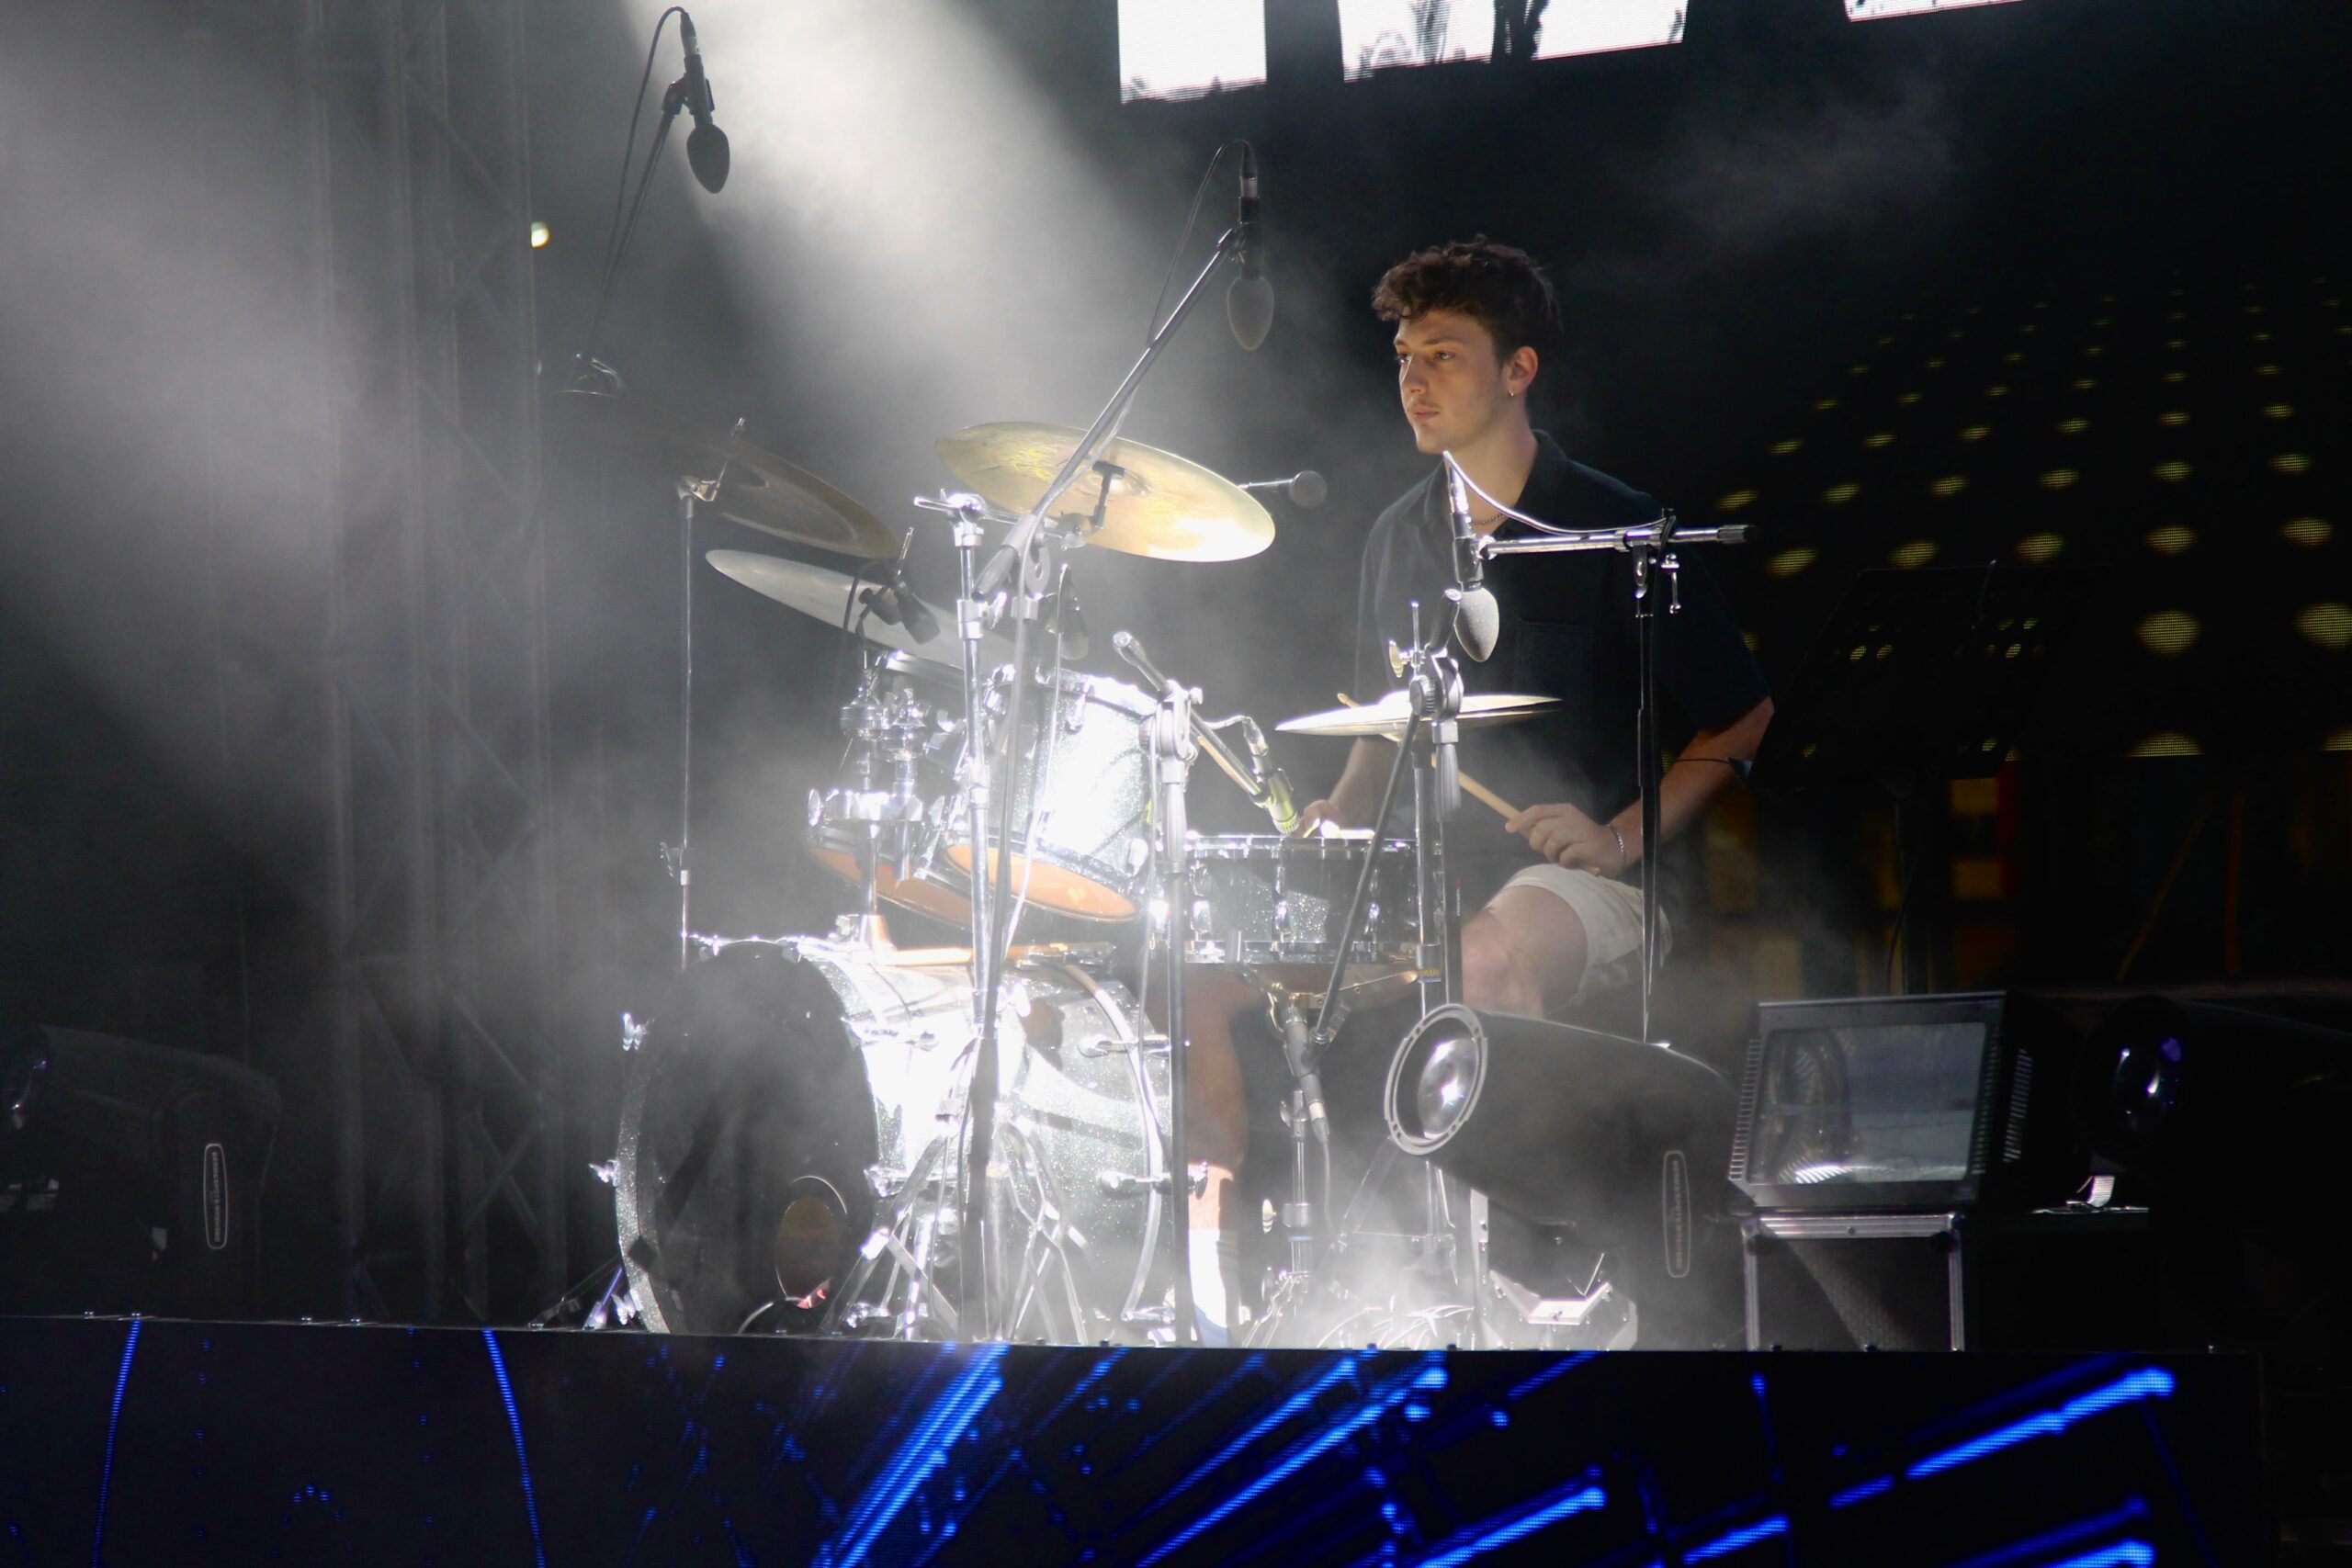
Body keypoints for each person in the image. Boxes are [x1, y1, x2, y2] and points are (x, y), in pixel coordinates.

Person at [1298, 236, 1774, 1020]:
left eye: (1443, 356)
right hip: (1430, 879)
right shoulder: (1395, 536)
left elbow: (1745, 714)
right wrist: (1341, 814)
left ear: (1518, 370)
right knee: (1218, 974)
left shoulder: (1616, 524)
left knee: (1480, 962)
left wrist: (1620, 837)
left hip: (1598, 886)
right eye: (1404, 358)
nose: (1412, 381)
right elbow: (1382, 726)